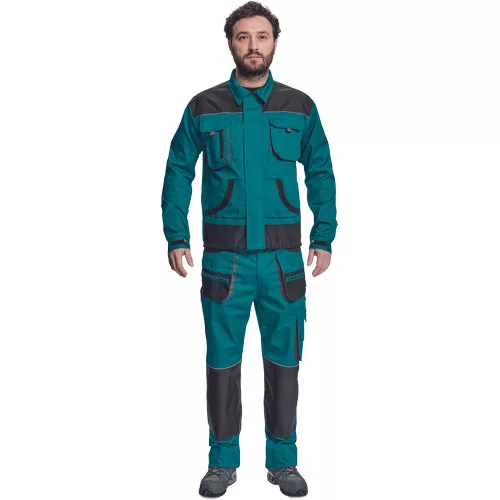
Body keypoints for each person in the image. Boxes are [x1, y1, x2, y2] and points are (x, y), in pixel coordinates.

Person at [161, 2, 337, 497]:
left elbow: (320, 171)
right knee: (223, 363)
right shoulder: (204, 107)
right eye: (243, 37)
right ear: (231, 44)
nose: (253, 45)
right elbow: (178, 170)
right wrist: (176, 235)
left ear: (275, 42)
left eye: (262, 36)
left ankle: (283, 461)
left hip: (284, 263)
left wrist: (324, 235)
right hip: (225, 263)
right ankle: (222, 462)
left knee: (284, 363)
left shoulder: (299, 106)